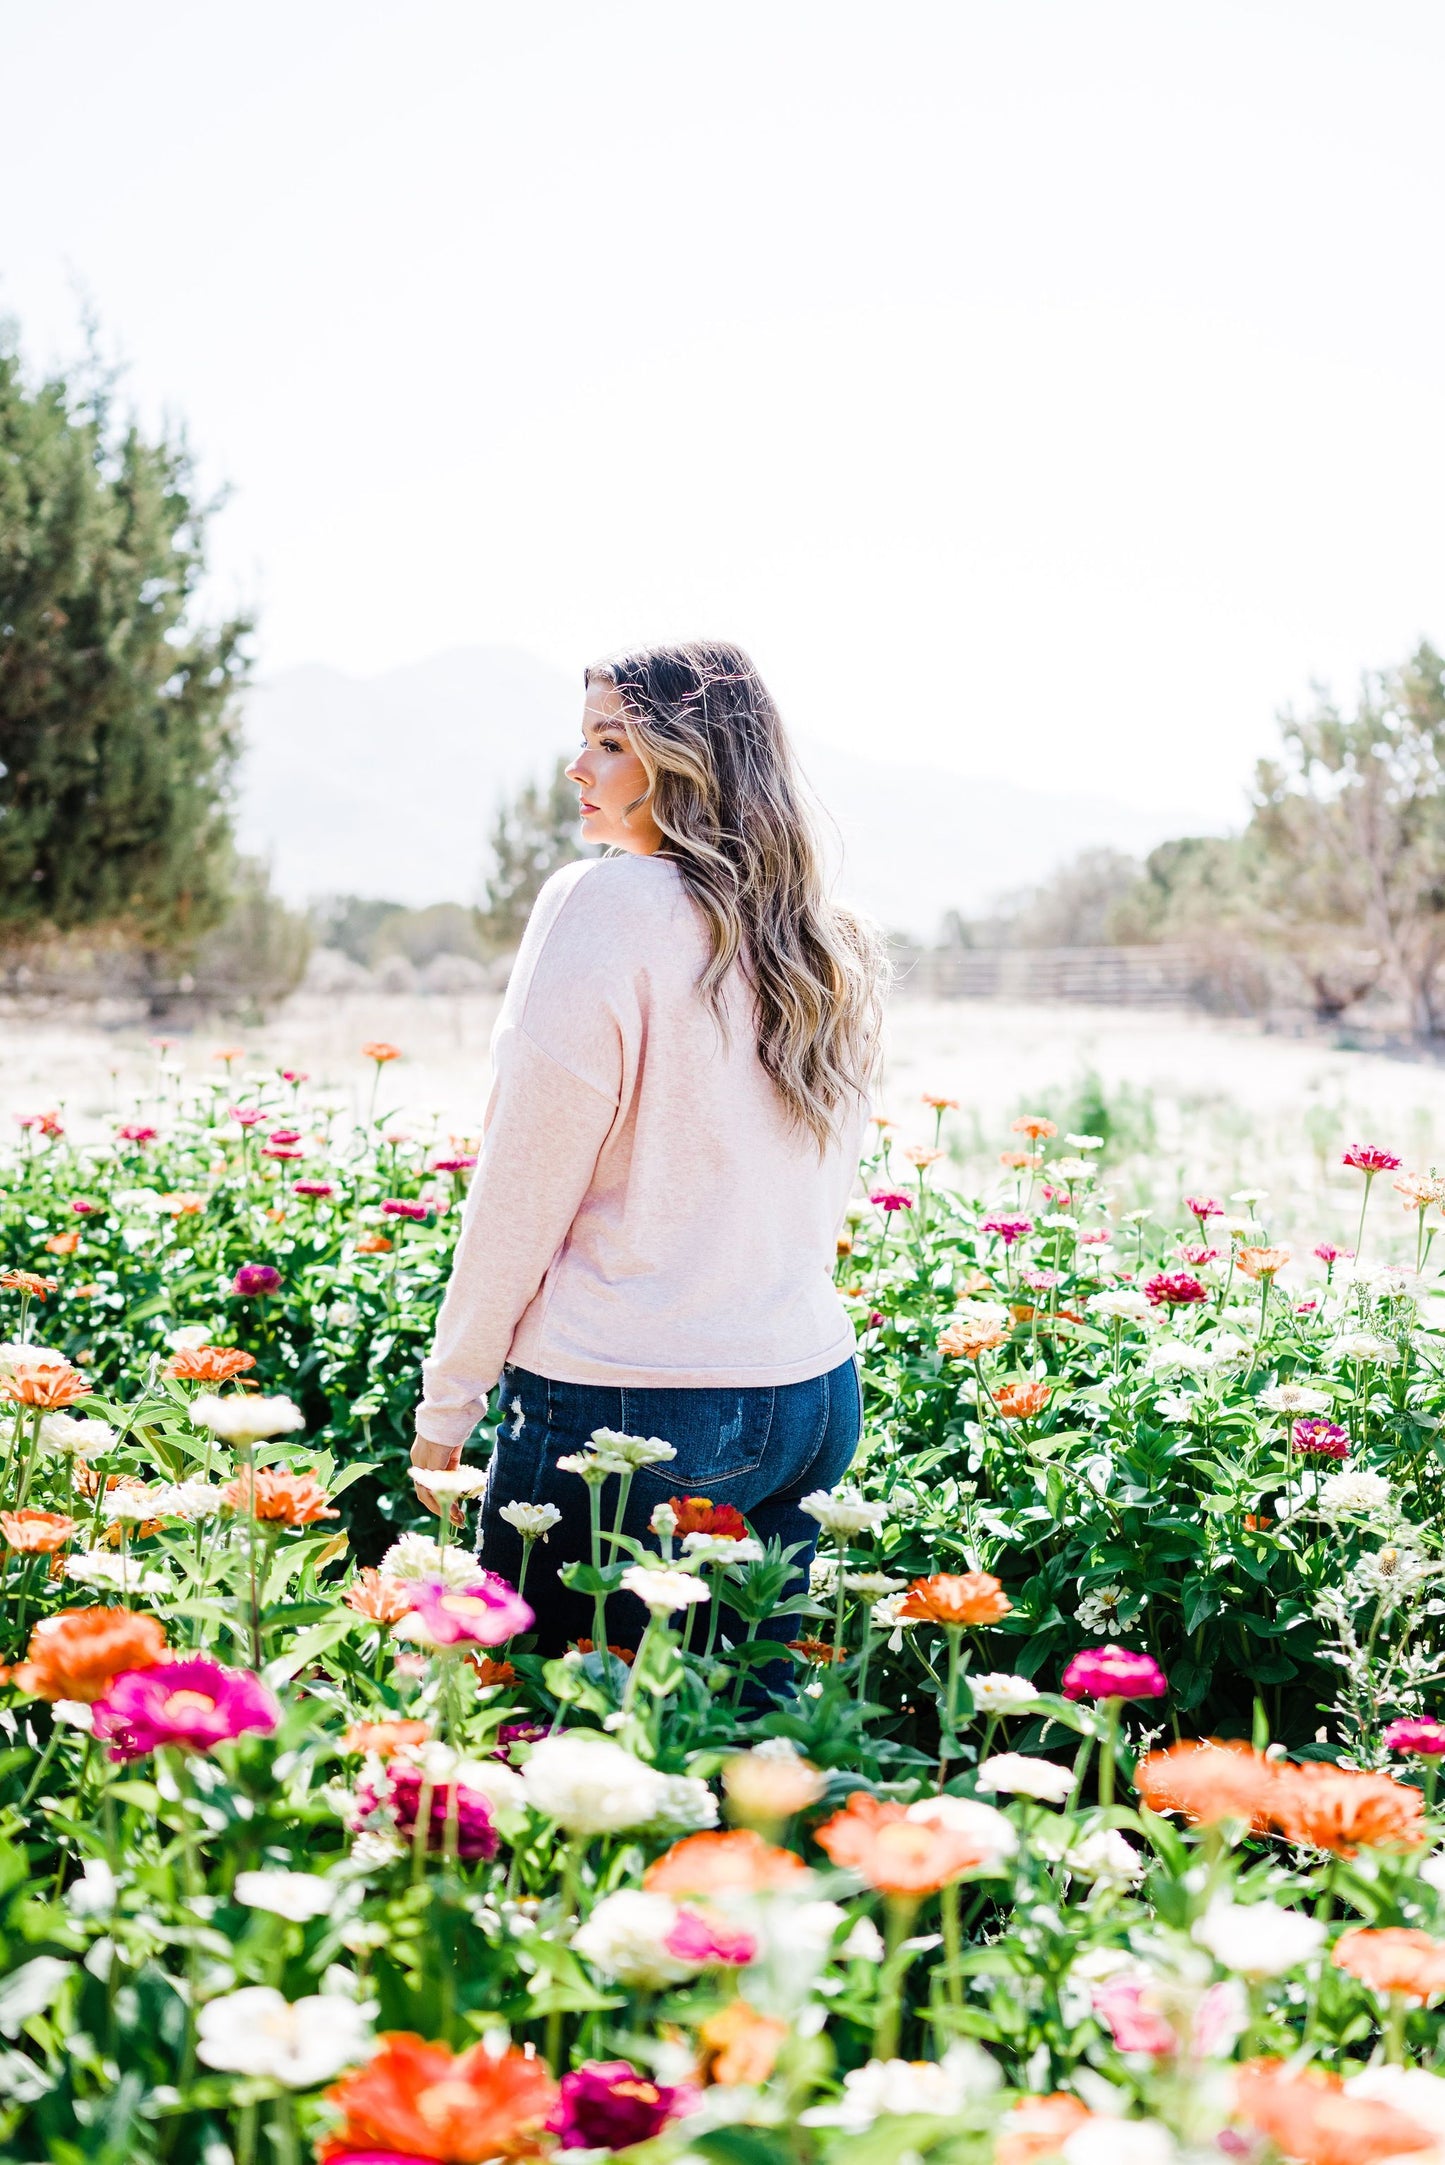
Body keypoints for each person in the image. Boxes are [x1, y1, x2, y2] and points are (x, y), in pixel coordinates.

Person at [410, 640, 887, 1657]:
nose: (576, 768)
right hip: (809, 1392)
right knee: (735, 1746)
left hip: (630, 1400)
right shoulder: (821, 934)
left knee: (545, 1734)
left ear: (689, 761)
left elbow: (521, 1184)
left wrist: (448, 1398)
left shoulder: (602, 904)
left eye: (610, 742)